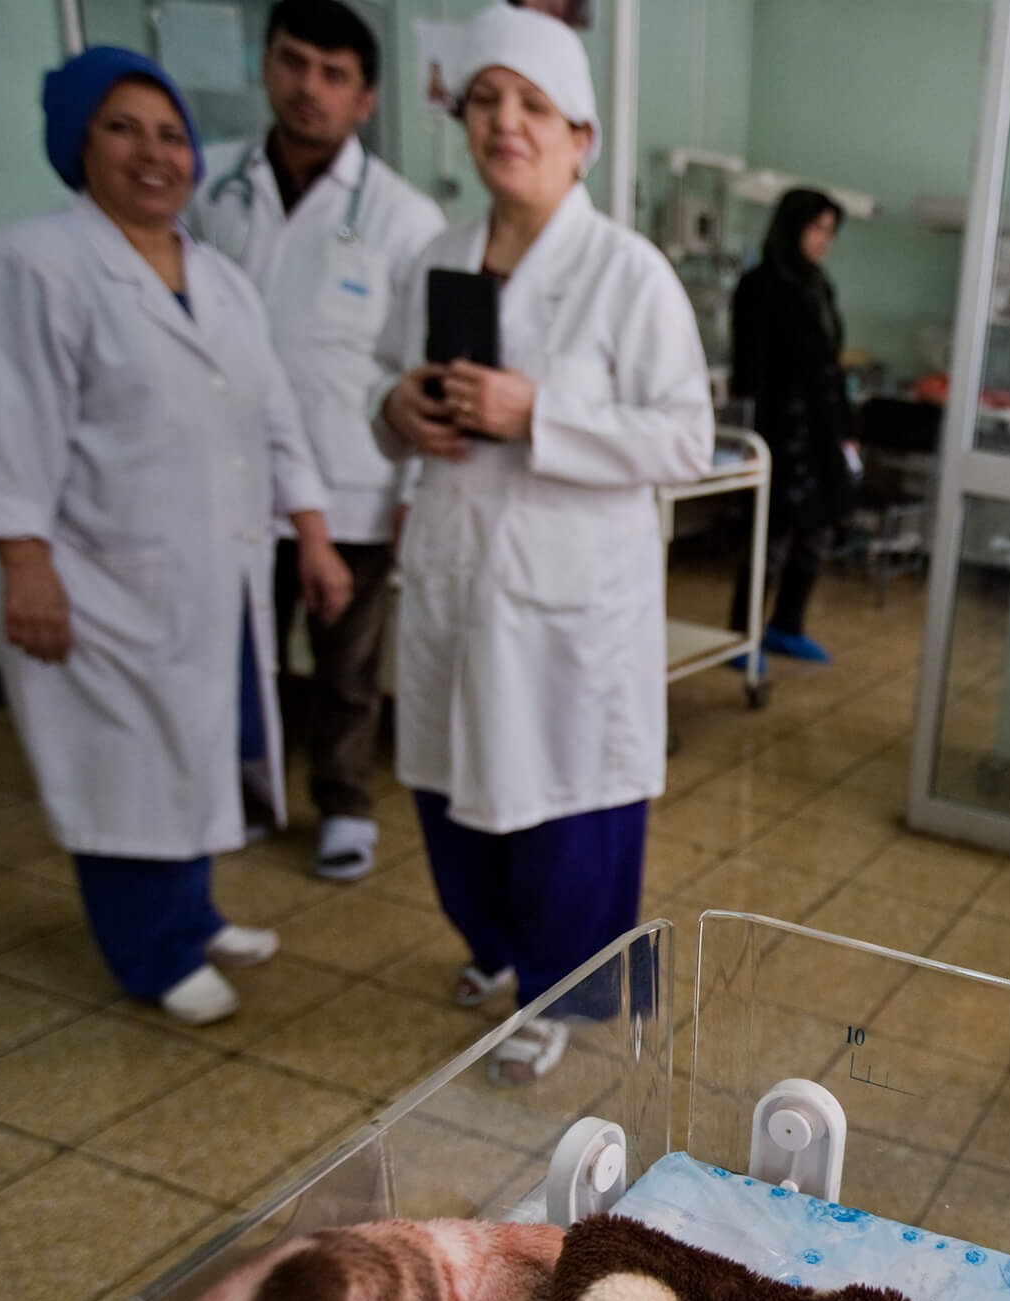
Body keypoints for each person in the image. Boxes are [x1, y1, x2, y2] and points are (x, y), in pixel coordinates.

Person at [0, 48, 350, 1027]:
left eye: (170, 132)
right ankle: (150, 951)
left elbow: (275, 414)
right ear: (78, 143)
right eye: (122, 128)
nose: (153, 152)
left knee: (195, 749)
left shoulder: (219, 279)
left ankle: (194, 909)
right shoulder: (33, 263)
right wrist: (25, 561)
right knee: (124, 766)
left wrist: (314, 531)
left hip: (218, 571)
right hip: (98, 575)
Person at [371, 6, 712, 1081]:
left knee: (564, 806)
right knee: (448, 778)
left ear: (582, 137)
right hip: (453, 574)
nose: (503, 122)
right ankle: (490, 950)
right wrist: (400, 410)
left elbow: (685, 437)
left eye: (532, 105)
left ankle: (564, 989)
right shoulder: (435, 256)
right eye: (484, 101)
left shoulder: (628, 272)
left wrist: (540, 413)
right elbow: (379, 387)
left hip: (570, 603)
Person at [189, 0, 446, 882]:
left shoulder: (404, 220)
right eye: (295, 63)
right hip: (225, 475)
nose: (310, 88)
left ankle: (343, 803)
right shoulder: (207, 190)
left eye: (335, 75)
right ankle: (245, 795)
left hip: (354, 478)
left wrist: (414, 492)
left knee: (345, 662)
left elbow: (424, 369)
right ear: (266, 67)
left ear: (366, 99)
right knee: (236, 646)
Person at [729, 187, 855, 664]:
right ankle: (743, 635)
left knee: (819, 529)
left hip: (822, 430)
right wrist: (753, 435)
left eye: (830, 231)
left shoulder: (818, 285)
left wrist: (846, 426)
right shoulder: (760, 285)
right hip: (780, 431)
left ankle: (787, 625)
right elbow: (751, 370)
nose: (824, 240)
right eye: (816, 228)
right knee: (772, 535)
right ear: (792, 227)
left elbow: (830, 363)